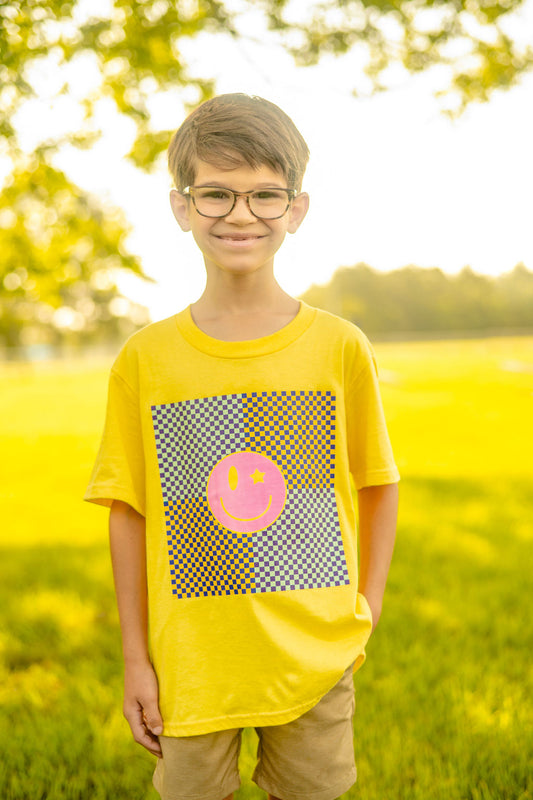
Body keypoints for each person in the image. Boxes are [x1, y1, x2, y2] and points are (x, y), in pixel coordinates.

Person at [85, 92, 399, 800]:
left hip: (314, 654)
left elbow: (378, 484)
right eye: (216, 194)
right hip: (191, 663)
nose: (239, 214)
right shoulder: (146, 358)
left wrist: (363, 616)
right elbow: (128, 511)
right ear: (180, 205)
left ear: (296, 208)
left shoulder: (338, 347)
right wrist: (137, 658)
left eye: (264, 195)